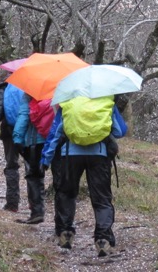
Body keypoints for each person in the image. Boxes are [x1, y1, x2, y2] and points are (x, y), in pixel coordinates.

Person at [40, 104, 118, 257]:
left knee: (66, 193)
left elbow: (55, 134)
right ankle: (103, 239)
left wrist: (45, 160)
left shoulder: (67, 103)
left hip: (70, 154)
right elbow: (120, 130)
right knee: (102, 199)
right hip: (99, 155)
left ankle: (65, 232)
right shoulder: (106, 102)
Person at [0, 79, 24, 212]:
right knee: (32, 166)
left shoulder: (6, 88)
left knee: (11, 165)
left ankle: (12, 204)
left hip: (9, 131)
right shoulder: (32, 86)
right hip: (28, 131)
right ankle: (35, 205)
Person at [12, 93, 49, 224]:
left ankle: (37, 212)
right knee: (61, 180)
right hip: (56, 141)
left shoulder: (31, 92)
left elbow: (24, 115)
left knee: (34, 177)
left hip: (35, 141)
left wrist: (17, 138)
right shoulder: (60, 89)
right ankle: (63, 224)